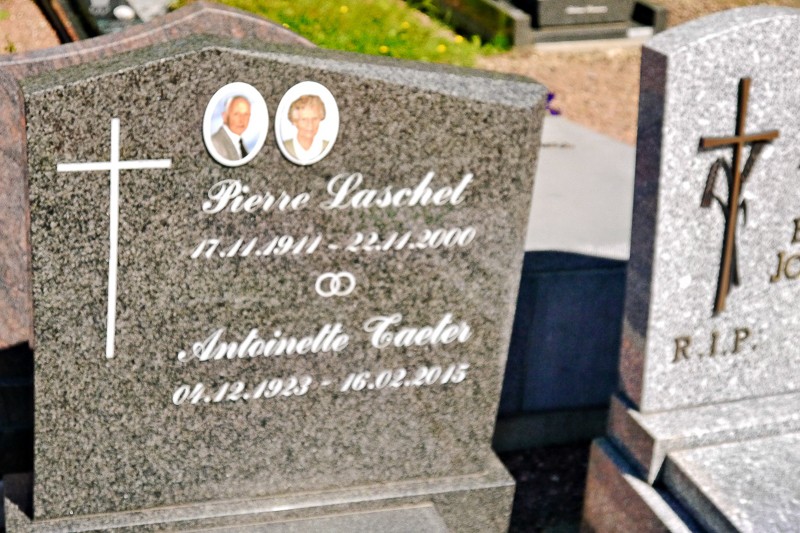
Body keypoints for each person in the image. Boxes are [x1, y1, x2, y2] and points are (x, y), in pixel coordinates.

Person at [283, 94, 328, 162]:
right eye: (304, 120)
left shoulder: (327, 146)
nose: (310, 125)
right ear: (295, 121)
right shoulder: (285, 147)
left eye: (314, 119)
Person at [211, 96, 251, 161]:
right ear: (224, 117)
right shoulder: (216, 143)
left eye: (246, 114)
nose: (242, 120)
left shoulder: (240, 143)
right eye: (236, 114)